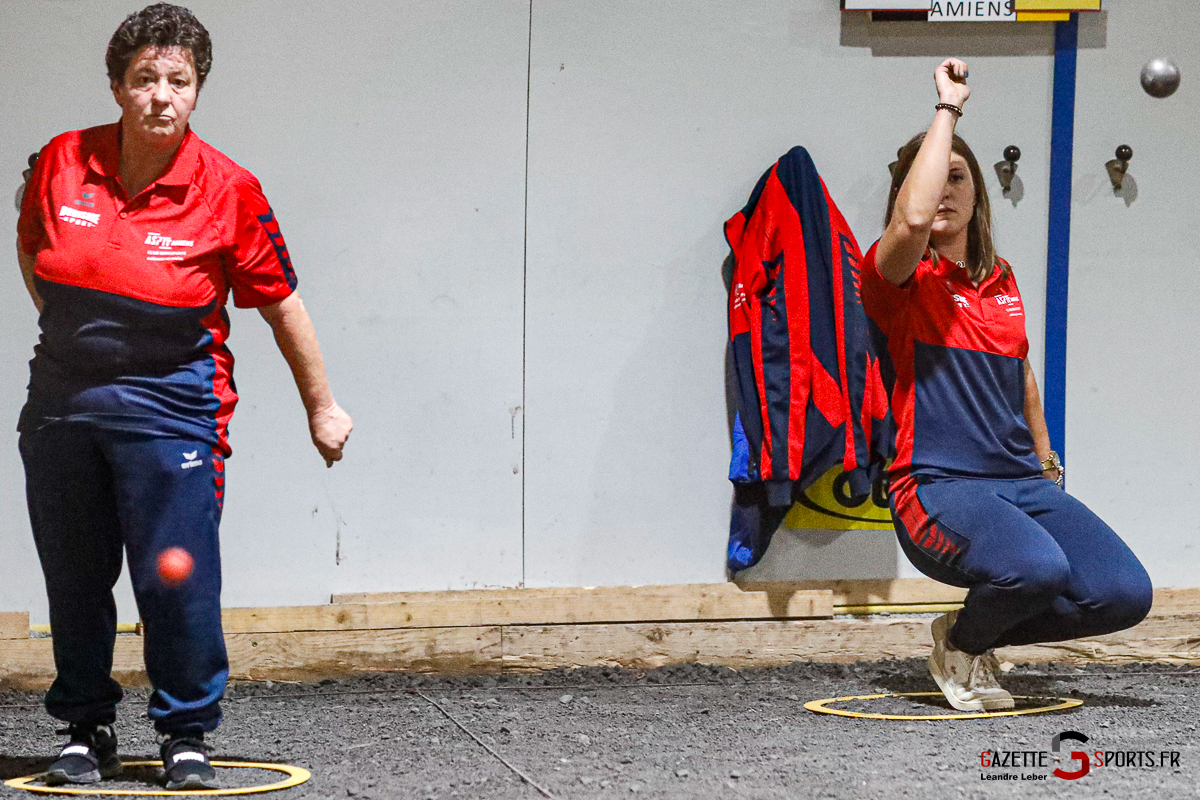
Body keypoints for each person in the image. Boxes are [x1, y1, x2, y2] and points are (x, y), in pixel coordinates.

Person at [15, 3, 352, 788]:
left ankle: (186, 733)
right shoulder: (63, 161)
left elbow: (281, 304)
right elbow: (32, 247)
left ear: (197, 91)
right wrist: (77, 333)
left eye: (179, 81)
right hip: (63, 409)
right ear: (117, 86)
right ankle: (84, 727)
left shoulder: (229, 189)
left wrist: (322, 407)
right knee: (74, 575)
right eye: (144, 79)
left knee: (175, 577)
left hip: (173, 415)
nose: (161, 95)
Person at [858, 58, 1152, 712]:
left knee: (1122, 592)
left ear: (977, 194)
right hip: (935, 486)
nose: (941, 191)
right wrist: (949, 110)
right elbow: (908, 225)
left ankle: (970, 633)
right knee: (1037, 567)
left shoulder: (1003, 281)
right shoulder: (896, 283)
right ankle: (962, 646)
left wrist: (1047, 466)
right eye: (929, 180)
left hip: (1018, 482)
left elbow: (1020, 377)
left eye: (955, 177)